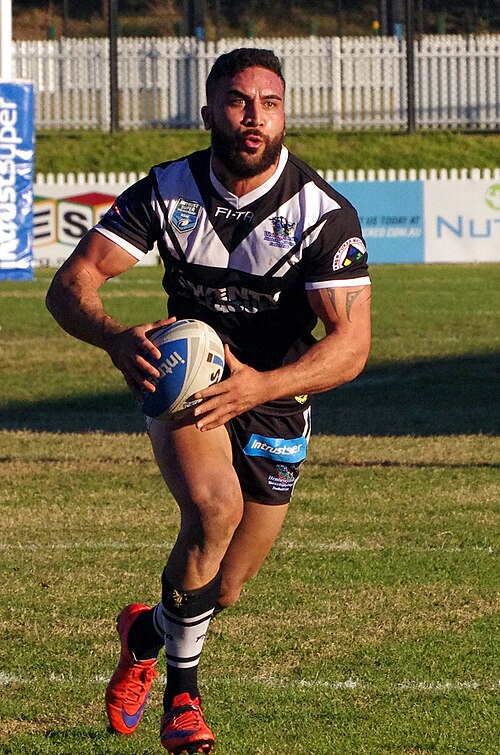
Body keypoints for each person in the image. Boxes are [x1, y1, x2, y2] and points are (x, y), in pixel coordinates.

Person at [45, 47, 371, 754]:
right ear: (209, 111)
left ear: (285, 115)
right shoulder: (168, 190)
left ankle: (144, 634)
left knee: (222, 587)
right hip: (187, 379)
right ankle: (182, 697)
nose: (254, 117)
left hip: (276, 392)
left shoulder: (322, 215)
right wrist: (113, 337)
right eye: (238, 101)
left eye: (270, 103)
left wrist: (261, 384)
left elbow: (350, 347)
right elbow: (69, 286)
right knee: (213, 507)